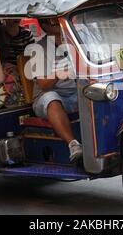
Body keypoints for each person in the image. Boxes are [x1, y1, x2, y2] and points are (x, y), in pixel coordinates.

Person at [28, 18, 82, 162]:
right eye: (53, 21)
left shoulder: (75, 42)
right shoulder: (39, 49)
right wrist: (60, 73)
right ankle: (73, 144)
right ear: (45, 26)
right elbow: (43, 84)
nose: (58, 23)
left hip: (74, 93)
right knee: (52, 98)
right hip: (47, 97)